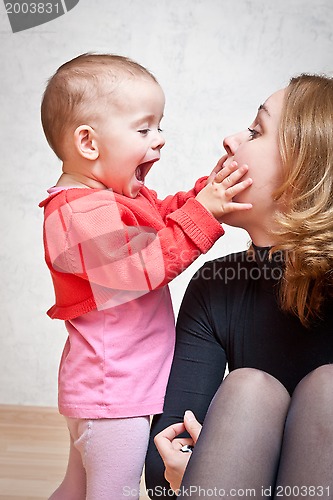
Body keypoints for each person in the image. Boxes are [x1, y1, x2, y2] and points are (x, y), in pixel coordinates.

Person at [39, 53, 253, 499]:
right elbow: (142, 267)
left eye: (160, 126)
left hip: (107, 392)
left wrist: (205, 193)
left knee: (77, 488)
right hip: (112, 396)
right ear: (89, 143)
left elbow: (161, 219)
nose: (159, 140)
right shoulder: (80, 210)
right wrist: (204, 214)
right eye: (144, 129)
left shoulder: (109, 203)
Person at [145, 73, 333, 499]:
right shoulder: (216, 285)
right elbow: (162, 470)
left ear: (306, 174)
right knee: (249, 389)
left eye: (255, 130)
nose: (230, 141)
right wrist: (222, 468)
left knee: (328, 392)